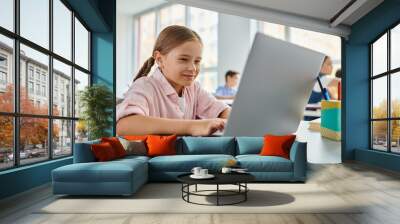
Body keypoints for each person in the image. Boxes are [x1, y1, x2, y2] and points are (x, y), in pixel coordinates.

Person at [116, 25, 231, 136]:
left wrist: (227, 120)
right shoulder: (145, 86)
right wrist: (192, 127)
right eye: (183, 59)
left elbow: (223, 111)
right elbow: (124, 125)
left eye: (197, 61)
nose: (193, 68)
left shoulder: (194, 89)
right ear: (160, 59)